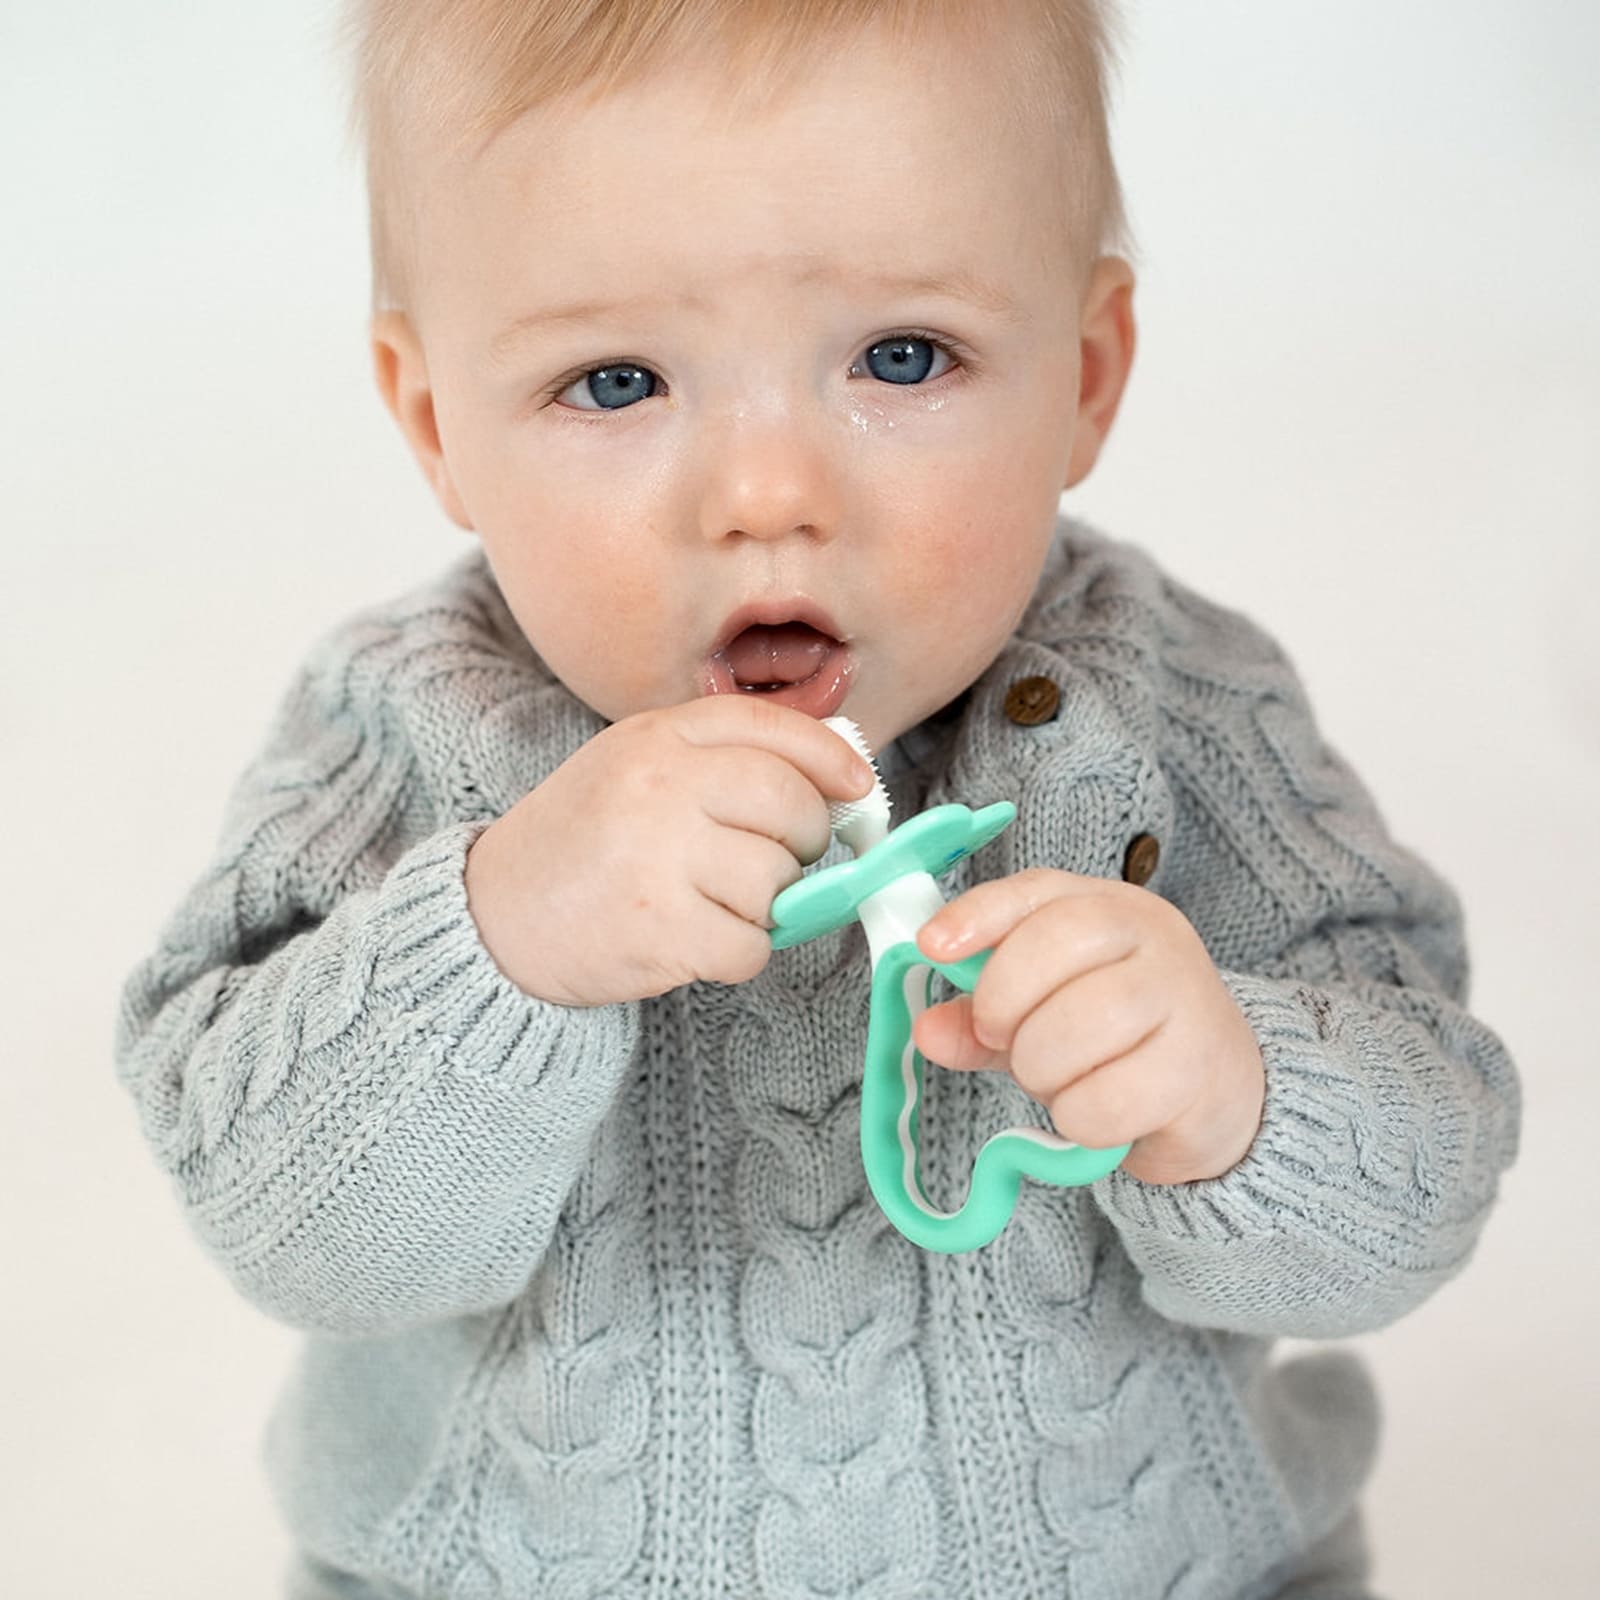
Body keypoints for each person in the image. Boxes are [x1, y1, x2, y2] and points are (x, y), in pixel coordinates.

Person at [112, 1, 1521, 1595]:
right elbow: (283, 1226)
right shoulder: (414, 727)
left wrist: (1233, 1096)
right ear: (438, 425)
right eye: (617, 380)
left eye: (899, 358)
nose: (768, 495)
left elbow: (1430, 1177)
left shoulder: (1170, 705)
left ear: (1085, 374)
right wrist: (505, 938)